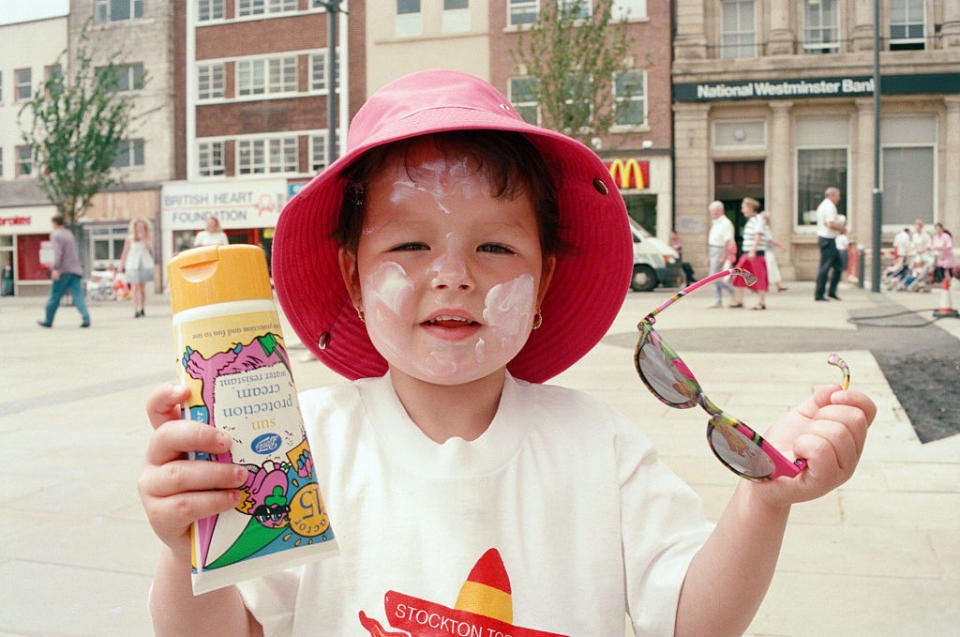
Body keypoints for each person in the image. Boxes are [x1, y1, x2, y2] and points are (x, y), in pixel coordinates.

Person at [137, 70, 876, 637]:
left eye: (495, 245)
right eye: (409, 244)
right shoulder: (306, 446)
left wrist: (762, 498)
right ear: (352, 277)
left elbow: (692, 616)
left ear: (545, 277)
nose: (453, 273)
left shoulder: (598, 446)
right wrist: (186, 548)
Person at [37, 214, 90, 328]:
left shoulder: (56, 235)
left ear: (55, 223)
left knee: (55, 296)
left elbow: (58, 253)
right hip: (75, 269)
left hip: (63, 270)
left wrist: (54, 268)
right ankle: (86, 318)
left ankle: (48, 320)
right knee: (78, 295)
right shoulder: (69, 233)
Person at [730, 197, 768, 309]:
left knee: (759, 276)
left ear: (751, 208)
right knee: (739, 274)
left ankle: (761, 302)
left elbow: (758, 235)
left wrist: (753, 250)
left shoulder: (758, 219)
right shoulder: (751, 220)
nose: (742, 210)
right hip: (746, 253)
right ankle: (739, 300)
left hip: (755, 254)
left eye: (744, 208)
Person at [814, 187, 845, 302]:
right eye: (838, 195)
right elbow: (830, 224)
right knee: (825, 267)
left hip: (828, 239)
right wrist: (842, 229)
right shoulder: (829, 206)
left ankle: (831, 291)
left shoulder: (824, 205)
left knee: (838, 266)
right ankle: (819, 293)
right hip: (827, 239)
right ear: (832, 196)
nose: (839, 198)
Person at [119, 219, 155, 318]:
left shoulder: (147, 237)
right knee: (134, 288)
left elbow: (149, 248)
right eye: (138, 226)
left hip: (144, 264)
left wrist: (144, 238)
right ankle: (135, 310)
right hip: (132, 264)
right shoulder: (129, 239)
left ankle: (143, 307)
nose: (139, 228)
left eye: (142, 227)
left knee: (142, 289)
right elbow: (125, 252)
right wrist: (121, 265)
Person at [705, 200, 735, 308]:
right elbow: (713, 240)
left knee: (713, 277)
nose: (714, 213)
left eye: (716, 211)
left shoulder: (725, 223)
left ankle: (733, 290)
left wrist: (723, 256)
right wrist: (709, 256)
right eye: (712, 211)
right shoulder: (715, 222)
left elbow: (727, 240)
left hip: (720, 250)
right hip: (713, 249)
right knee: (714, 276)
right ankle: (718, 300)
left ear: (722, 210)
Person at [761, 210, 787, 292]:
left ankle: (778, 286)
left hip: (769, 251)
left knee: (772, 268)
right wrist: (781, 246)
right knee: (769, 269)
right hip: (766, 252)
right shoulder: (764, 228)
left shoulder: (766, 228)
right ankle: (765, 286)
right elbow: (770, 240)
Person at [834, 215, 850, 280]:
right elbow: (847, 246)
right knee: (844, 266)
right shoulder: (844, 237)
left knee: (837, 266)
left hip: (837, 250)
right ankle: (844, 278)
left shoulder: (836, 236)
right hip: (843, 251)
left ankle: (837, 278)